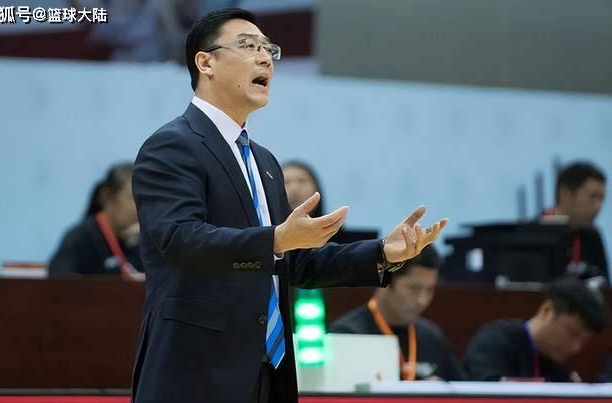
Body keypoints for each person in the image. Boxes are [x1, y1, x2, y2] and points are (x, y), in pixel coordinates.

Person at [130, 8, 447, 403]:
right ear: (205, 63)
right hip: (196, 372)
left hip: (268, 372)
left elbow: (292, 263)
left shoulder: (263, 162)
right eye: (249, 46)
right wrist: (276, 240)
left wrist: (382, 252)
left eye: (269, 50)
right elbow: (181, 240)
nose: (266, 58)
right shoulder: (172, 146)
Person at [330, 245, 466, 381]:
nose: (422, 300)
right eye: (414, 288)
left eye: (429, 290)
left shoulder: (431, 338)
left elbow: (463, 388)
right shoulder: (348, 335)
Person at [463, 276, 606, 382]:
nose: (575, 348)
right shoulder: (495, 340)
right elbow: (488, 391)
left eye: (583, 341)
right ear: (546, 311)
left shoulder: (558, 367)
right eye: (572, 333)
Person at [48, 162, 144, 280]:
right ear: (107, 196)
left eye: (144, 199)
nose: (139, 207)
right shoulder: (80, 238)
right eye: (132, 197)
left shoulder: (135, 241)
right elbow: (59, 283)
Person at [541, 161, 608, 282]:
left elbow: (604, 286)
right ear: (565, 194)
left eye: (601, 199)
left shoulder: (592, 237)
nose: (598, 206)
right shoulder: (532, 234)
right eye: (592, 196)